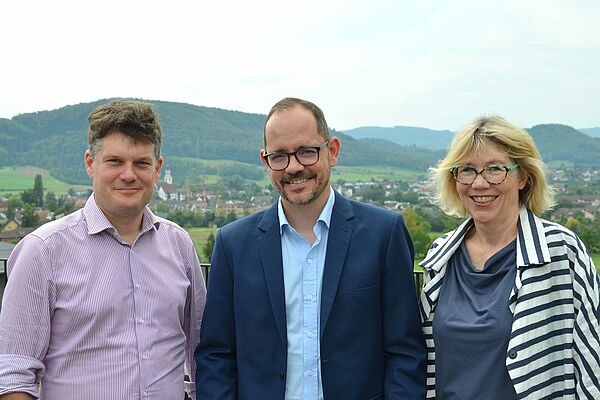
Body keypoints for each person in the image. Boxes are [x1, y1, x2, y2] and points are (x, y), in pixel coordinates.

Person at [195, 97, 426, 399]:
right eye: (279, 156)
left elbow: (405, 352)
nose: (293, 167)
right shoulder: (233, 244)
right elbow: (216, 356)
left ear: (332, 151)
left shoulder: (384, 233)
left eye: (306, 152)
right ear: (265, 161)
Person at [0, 100, 206, 399]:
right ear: (90, 163)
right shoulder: (43, 252)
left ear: (158, 168)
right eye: (114, 162)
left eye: (141, 163)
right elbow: (14, 373)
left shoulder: (179, 245)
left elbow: (202, 351)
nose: (128, 174)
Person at [419, 115, 600, 399]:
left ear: (523, 177)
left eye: (495, 169)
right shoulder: (441, 256)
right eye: (467, 170)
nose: (479, 184)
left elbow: (593, 363)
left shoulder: (561, 252)